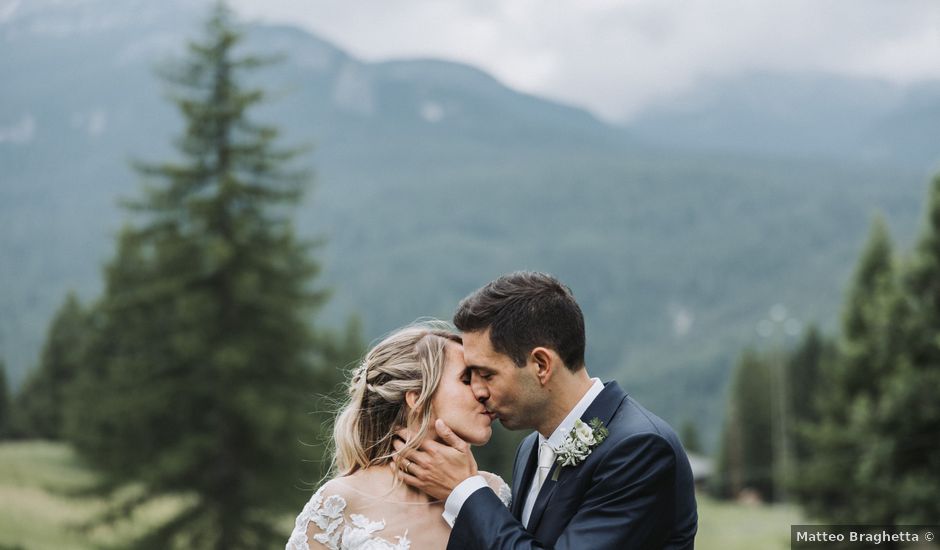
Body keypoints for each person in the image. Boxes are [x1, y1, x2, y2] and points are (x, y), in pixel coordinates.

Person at [394, 272, 698, 549]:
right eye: (469, 377)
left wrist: (465, 491)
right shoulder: (530, 448)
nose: (478, 391)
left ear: (541, 365)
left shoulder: (640, 448)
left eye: (486, 375)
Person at [286, 322, 510, 550]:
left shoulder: (494, 492)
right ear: (417, 398)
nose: (483, 392)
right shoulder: (340, 502)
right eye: (466, 380)